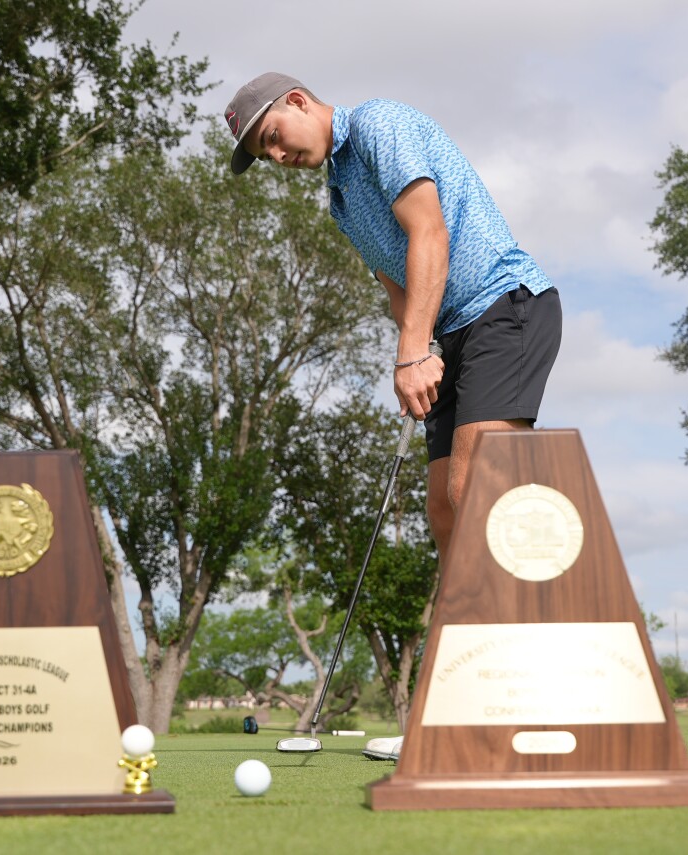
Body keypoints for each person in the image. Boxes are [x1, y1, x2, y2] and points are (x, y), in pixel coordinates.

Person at [225, 72, 562, 568]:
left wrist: (411, 354)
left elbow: (429, 232)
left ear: (298, 102)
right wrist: (415, 362)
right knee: (445, 512)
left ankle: (532, 626)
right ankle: (462, 636)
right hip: (449, 341)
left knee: (475, 489)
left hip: (504, 306)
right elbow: (398, 293)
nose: (276, 157)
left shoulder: (378, 123)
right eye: (264, 154)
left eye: (272, 137)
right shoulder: (340, 202)